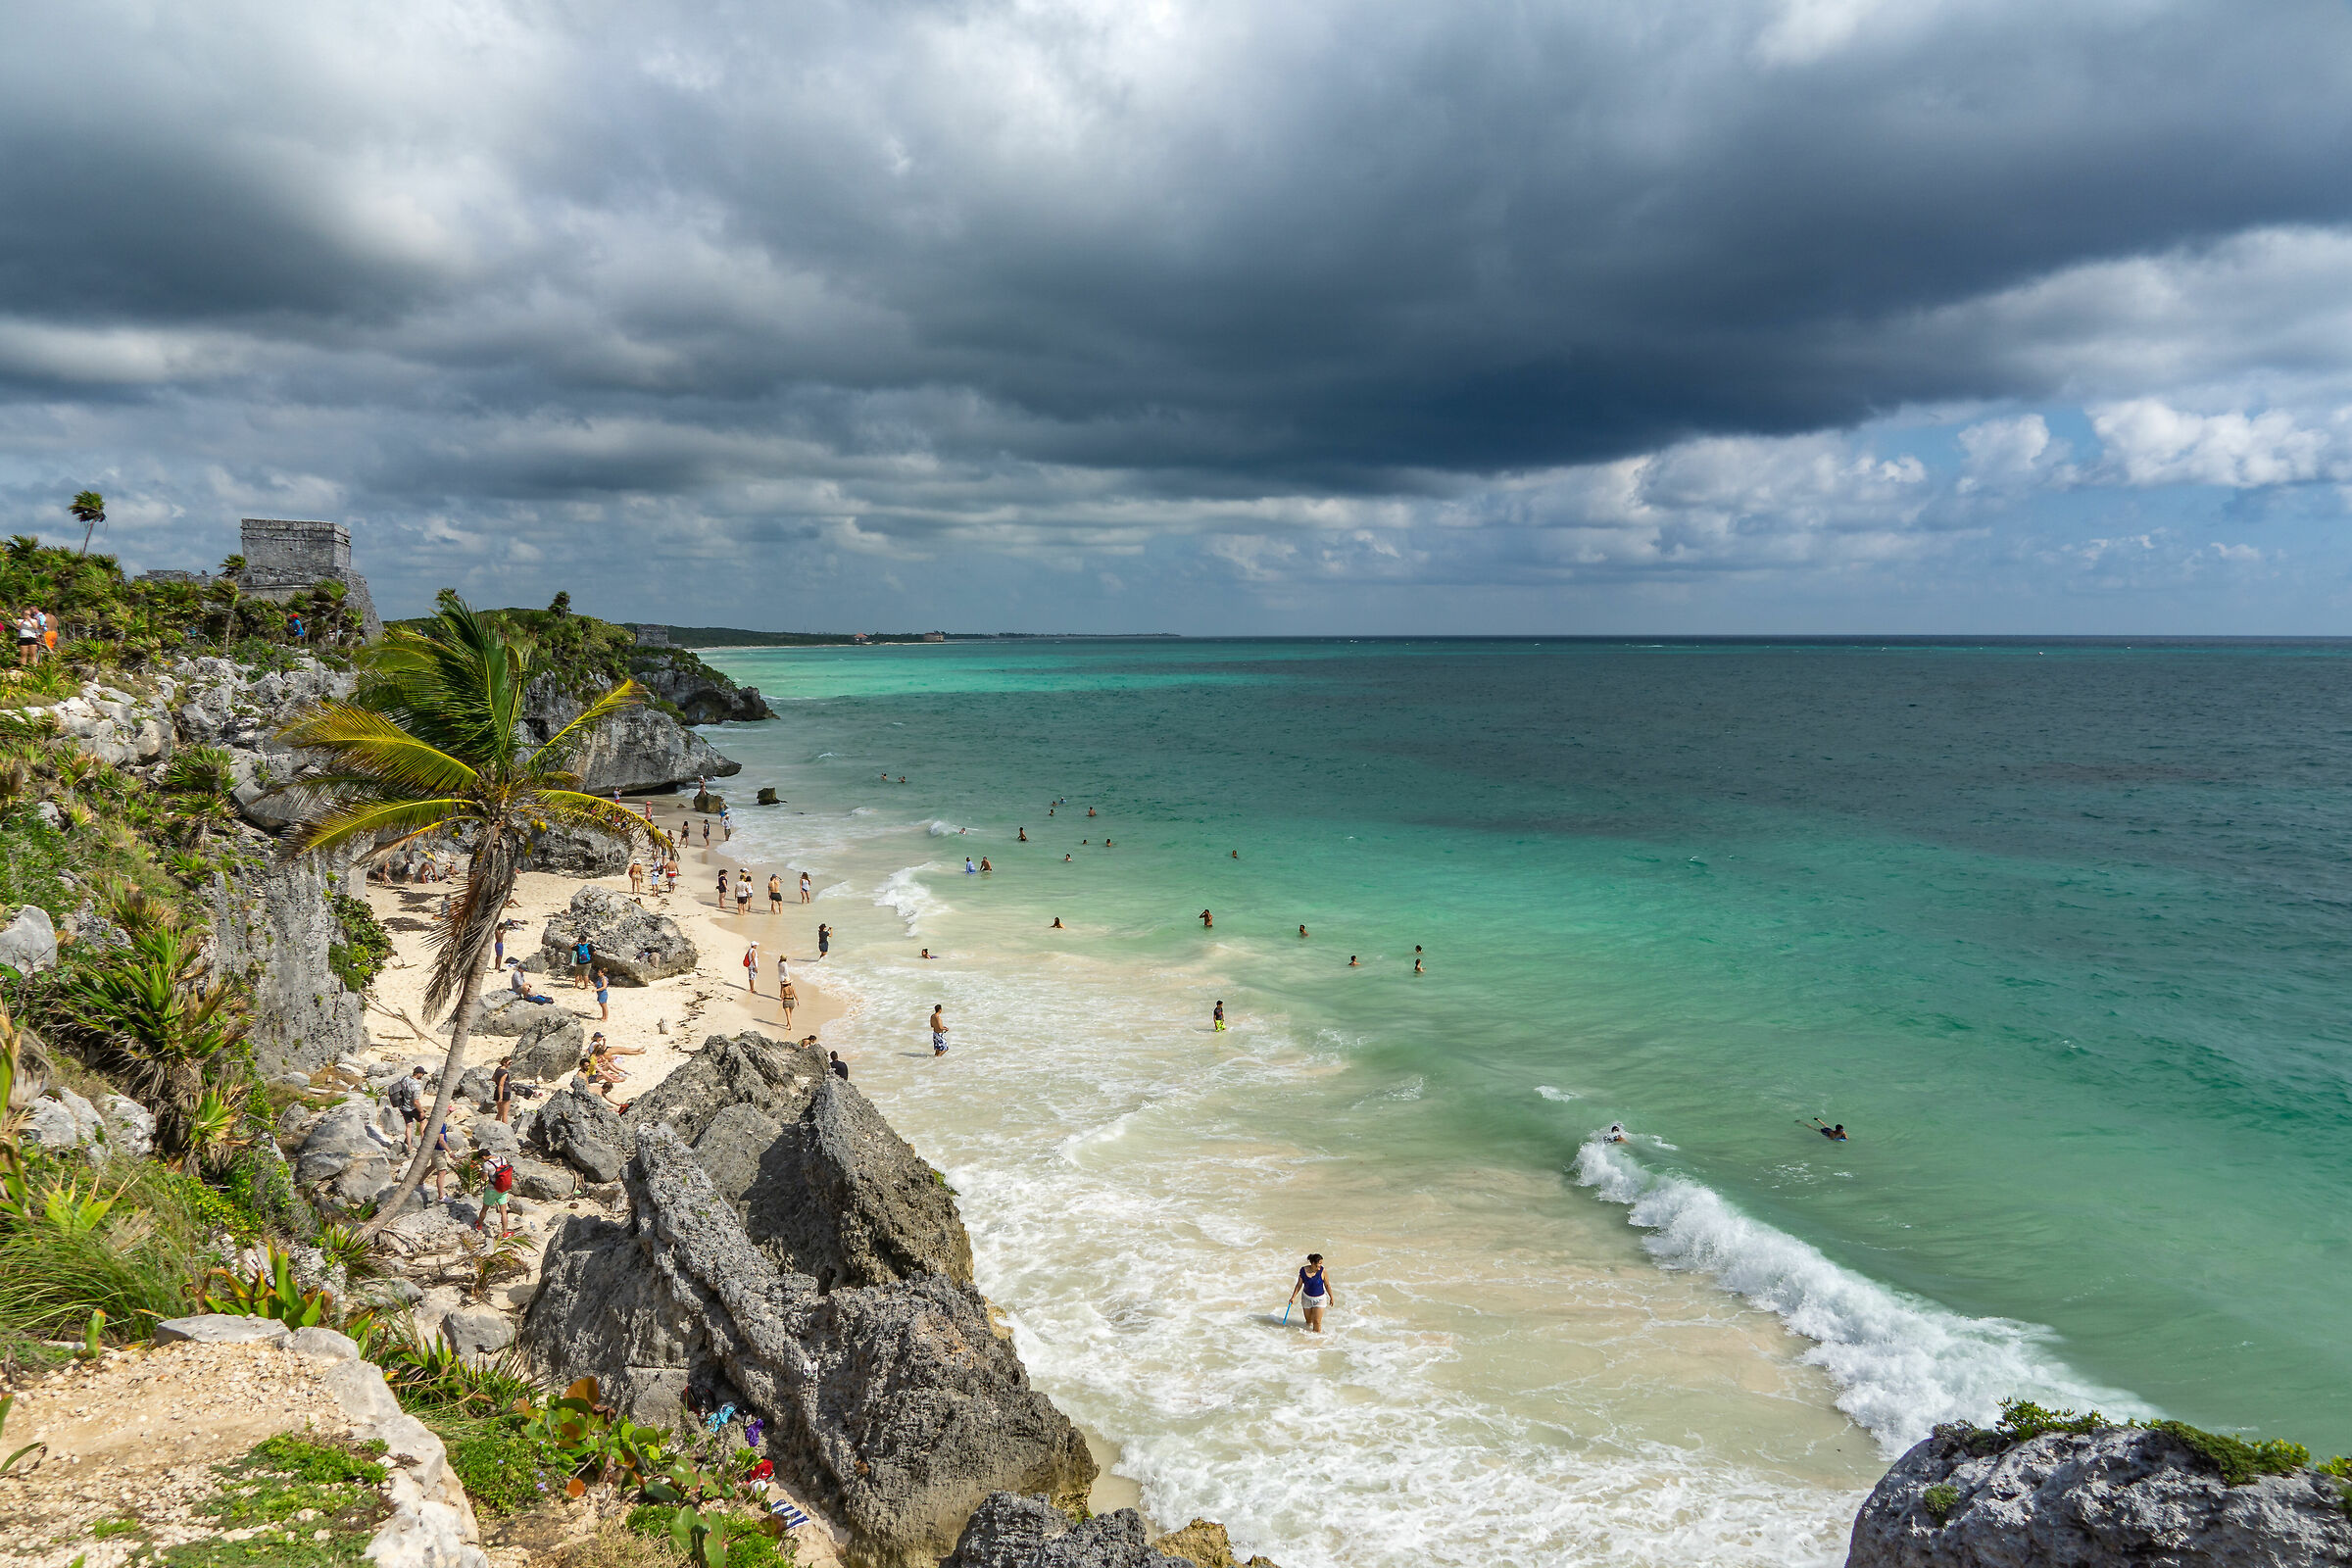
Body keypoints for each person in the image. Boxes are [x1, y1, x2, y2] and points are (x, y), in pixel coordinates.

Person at [1289, 1253, 1335, 1334]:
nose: (1320, 1266)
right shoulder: (1303, 1270)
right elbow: (1299, 1285)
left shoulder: (1322, 1271)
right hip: (1306, 1299)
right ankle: (1308, 1341)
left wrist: (1331, 1297)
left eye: (1321, 1263)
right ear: (1313, 1263)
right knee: (1308, 1322)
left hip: (1320, 1299)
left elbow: (1327, 1285)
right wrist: (1293, 1297)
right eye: (1319, 1263)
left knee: (1317, 1322)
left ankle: (1317, 1342)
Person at [388, 1066, 427, 1153]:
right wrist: (421, 1111)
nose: (423, 1075)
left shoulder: (405, 1078)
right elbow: (416, 1102)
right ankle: (423, 1144)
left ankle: (409, 1146)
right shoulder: (416, 1085)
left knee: (409, 1126)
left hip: (403, 1107)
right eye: (422, 1074)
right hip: (412, 1108)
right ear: (419, 1074)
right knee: (423, 1121)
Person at [477, 1152, 515, 1236]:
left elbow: (484, 1179)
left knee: (484, 1209)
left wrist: (481, 1170)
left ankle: (479, 1225)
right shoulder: (502, 1159)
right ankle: (505, 1232)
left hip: (492, 1190)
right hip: (503, 1189)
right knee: (503, 1211)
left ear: (484, 1156)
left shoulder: (487, 1165)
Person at [492, 1056, 513, 1125]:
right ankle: (505, 1129)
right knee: (505, 1113)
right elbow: (501, 1085)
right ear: (504, 1063)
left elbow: (493, 1079)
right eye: (509, 1063)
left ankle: (495, 1127)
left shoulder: (497, 1069)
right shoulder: (505, 1073)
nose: (510, 1064)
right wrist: (501, 1097)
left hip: (497, 1091)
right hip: (504, 1092)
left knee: (499, 1112)